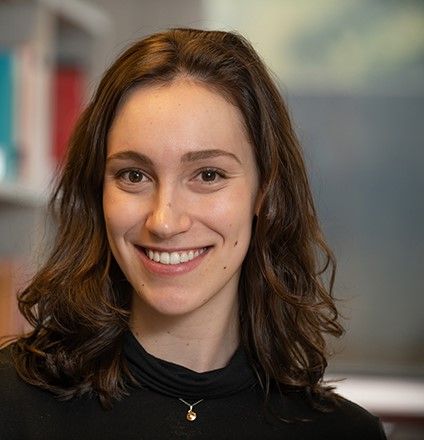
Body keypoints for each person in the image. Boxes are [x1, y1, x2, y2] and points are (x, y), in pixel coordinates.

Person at [0, 28, 386, 439]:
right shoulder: (10, 405)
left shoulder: (345, 433)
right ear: (98, 191)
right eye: (134, 175)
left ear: (265, 193)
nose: (164, 222)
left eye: (208, 174)